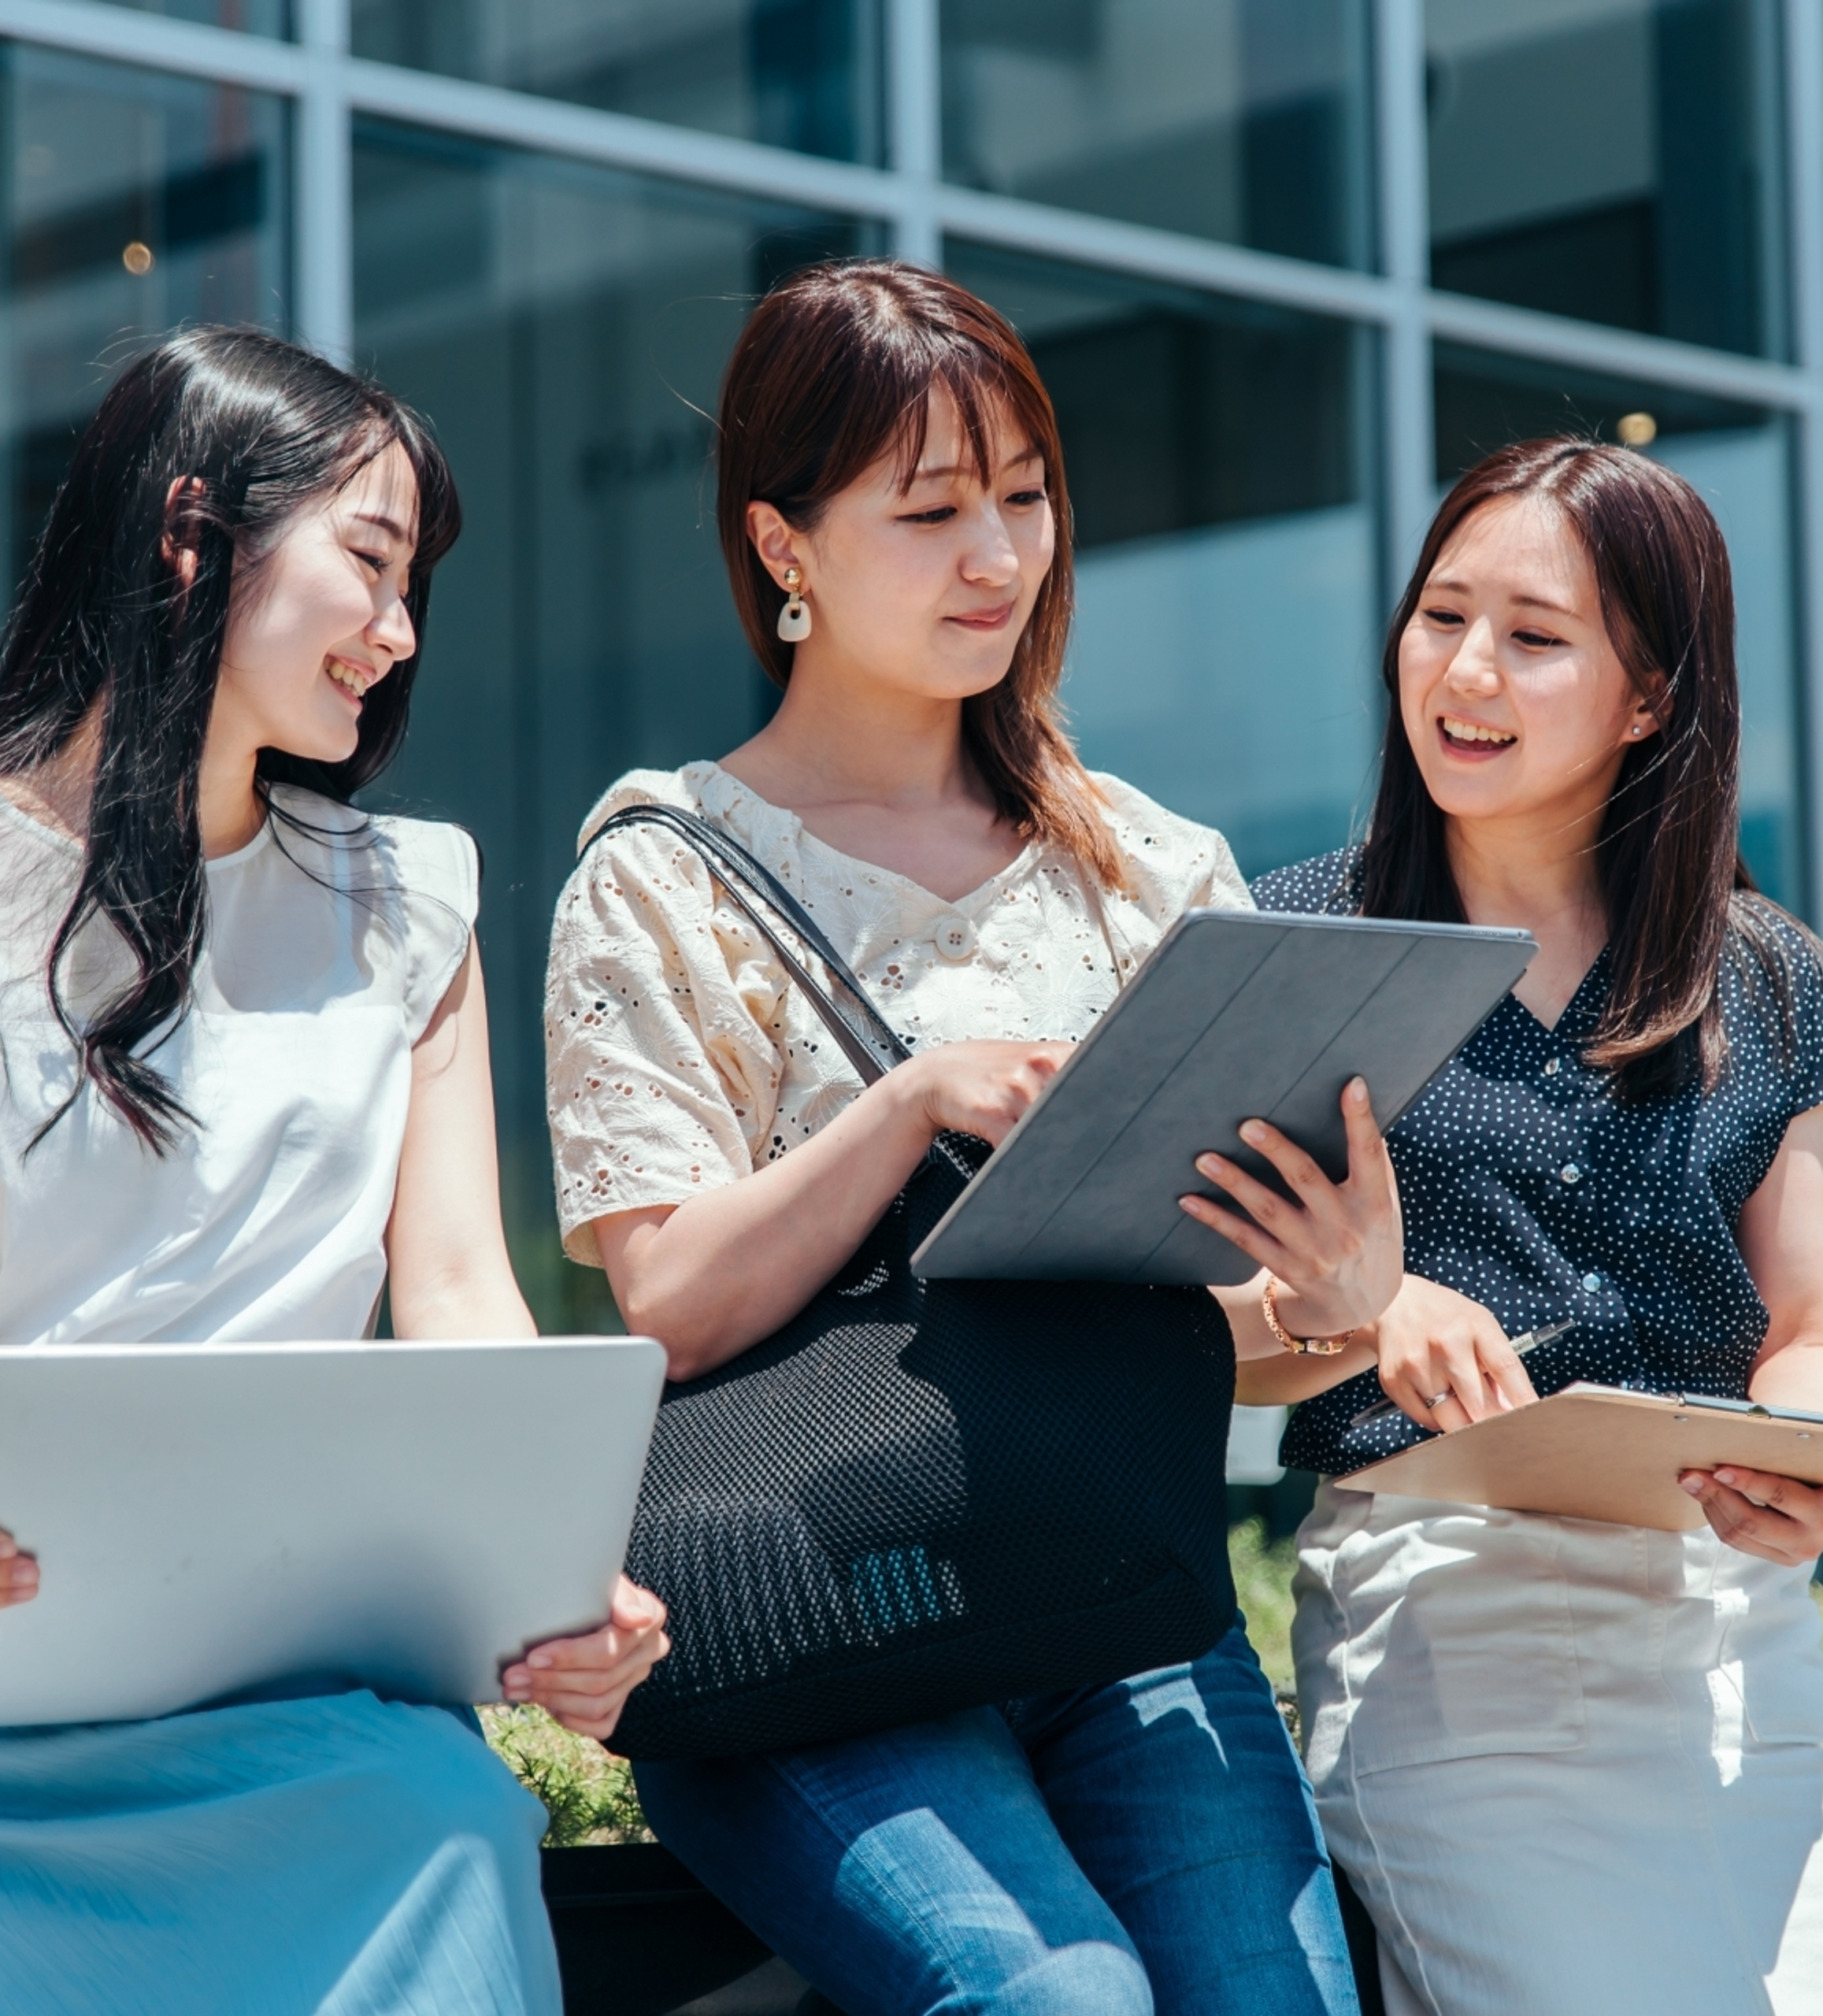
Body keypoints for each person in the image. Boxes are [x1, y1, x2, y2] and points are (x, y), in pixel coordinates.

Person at [0, 327, 669, 2014]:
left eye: (415, 591)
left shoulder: (415, 898)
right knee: (428, 1817)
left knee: (448, 1814)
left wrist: (558, 1568)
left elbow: (459, 1286)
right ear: (191, 536)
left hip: (301, 1621)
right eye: (370, 566)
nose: (397, 635)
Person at [546, 260, 1376, 2016]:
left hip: (1119, 1594)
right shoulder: (665, 872)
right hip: (816, 1620)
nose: (1000, 556)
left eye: (1023, 498)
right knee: (1051, 2001)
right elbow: (666, 1303)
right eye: (931, 512)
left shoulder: (1149, 867)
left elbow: (1207, 1348)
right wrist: (914, 1102)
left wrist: (1345, 1303)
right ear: (785, 546)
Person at [1243, 438, 1823, 2015]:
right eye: (1441, 615)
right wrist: (1364, 1306)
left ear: (1651, 696)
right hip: (1450, 1620)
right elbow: (1181, 1321)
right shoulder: (1297, 941)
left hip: (1736, 1643)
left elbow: (1806, 1343)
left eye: (1535, 636)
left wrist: (1814, 1467)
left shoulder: (1768, 976)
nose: (1468, 670)